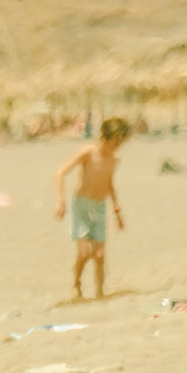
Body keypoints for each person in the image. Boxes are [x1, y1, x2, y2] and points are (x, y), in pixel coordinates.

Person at [56, 117, 130, 299]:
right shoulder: (88, 152)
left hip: (99, 207)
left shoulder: (114, 160)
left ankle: (100, 293)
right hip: (81, 205)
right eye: (114, 143)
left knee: (99, 255)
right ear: (104, 138)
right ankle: (77, 284)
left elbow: (109, 183)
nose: (117, 147)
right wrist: (61, 201)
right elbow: (60, 173)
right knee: (84, 252)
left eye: (120, 144)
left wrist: (117, 210)